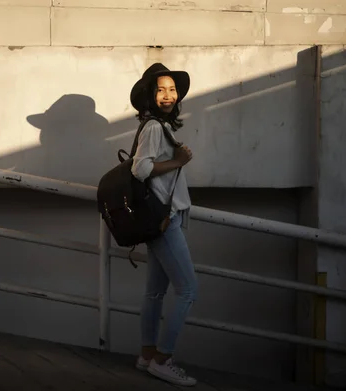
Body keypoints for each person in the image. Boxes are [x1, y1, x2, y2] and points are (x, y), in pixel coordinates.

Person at [129, 63, 198, 387]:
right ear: (150, 95)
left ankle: (147, 355)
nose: (168, 95)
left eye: (172, 89)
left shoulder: (156, 127)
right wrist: (178, 161)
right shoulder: (155, 127)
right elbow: (141, 170)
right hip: (164, 220)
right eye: (161, 89)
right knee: (187, 290)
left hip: (161, 218)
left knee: (155, 292)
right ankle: (163, 359)